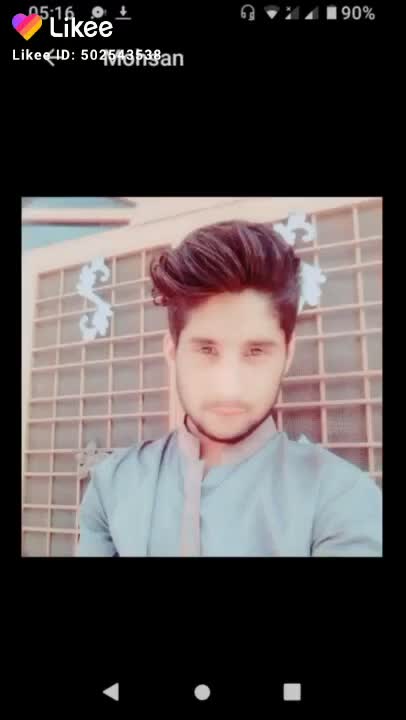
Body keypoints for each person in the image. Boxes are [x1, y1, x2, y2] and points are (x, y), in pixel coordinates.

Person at [78, 220, 382, 556]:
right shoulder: (113, 484)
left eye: (256, 351)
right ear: (172, 351)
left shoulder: (340, 499)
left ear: (288, 353)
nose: (229, 387)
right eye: (206, 350)